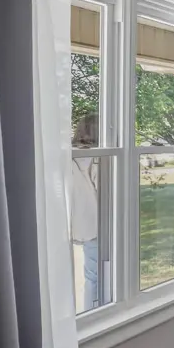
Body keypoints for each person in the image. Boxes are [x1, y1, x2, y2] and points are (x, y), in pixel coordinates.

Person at [70, 113, 102, 311]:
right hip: (96, 220)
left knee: (91, 274)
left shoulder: (68, 155)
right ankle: (95, 313)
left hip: (75, 219)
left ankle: (88, 313)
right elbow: (104, 189)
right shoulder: (99, 157)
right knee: (96, 274)